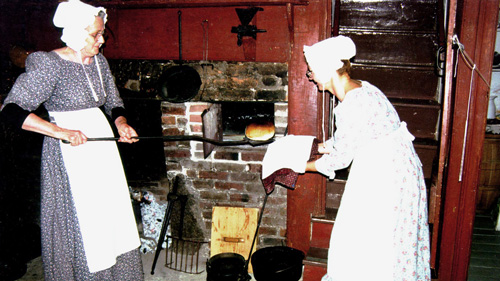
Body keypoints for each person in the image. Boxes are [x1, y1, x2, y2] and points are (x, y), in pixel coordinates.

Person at [0, 0, 144, 279]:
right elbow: (11, 110)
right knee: (86, 222)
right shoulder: (49, 64)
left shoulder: (99, 63)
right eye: (95, 34)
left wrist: (122, 123)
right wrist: (61, 132)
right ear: (76, 33)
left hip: (102, 149)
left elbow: (113, 102)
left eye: (102, 33)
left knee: (112, 218)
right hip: (70, 154)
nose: (101, 41)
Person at [303, 36, 431, 280]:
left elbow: (339, 160)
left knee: (370, 243)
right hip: (396, 169)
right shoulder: (362, 87)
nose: (310, 77)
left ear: (327, 70)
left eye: (311, 71)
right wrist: (322, 146)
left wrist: (300, 165)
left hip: (388, 177)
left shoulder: (352, 103)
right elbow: (358, 134)